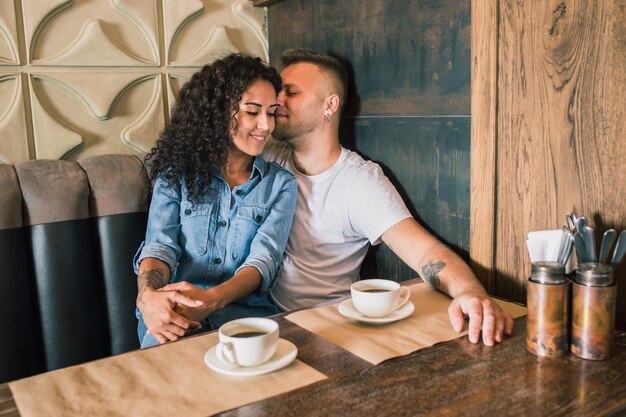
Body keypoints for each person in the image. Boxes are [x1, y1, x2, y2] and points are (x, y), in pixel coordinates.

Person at [263, 49, 513, 346]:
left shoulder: (358, 182)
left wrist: (471, 294)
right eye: (278, 91)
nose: (277, 100)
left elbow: (425, 253)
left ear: (329, 105)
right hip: (267, 317)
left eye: (290, 92)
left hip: (328, 330)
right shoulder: (269, 153)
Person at [133, 54, 297, 348]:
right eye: (252, 112)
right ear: (219, 112)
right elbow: (160, 247)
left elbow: (263, 262)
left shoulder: (280, 184)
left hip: (246, 321)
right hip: (173, 316)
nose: (266, 125)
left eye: (271, 112)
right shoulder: (175, 176)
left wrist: (212, 299)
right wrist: (148, 298)